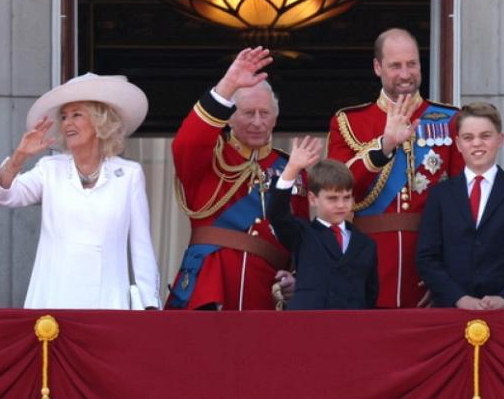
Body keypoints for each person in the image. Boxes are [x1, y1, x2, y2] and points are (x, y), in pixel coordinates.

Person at [0, 73, 160, 310]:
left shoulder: (128, 174)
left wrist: (149, 304)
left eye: (77, 114)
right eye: (65, 117)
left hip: (107, 304)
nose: (68, 122)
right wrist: (19, 157)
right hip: (53, 301)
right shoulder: (49, 169)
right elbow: (2, 195)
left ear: (101, 122)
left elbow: (141, 246)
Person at [327, 28, 463, 308]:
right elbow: (336, 188)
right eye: (395, 65)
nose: (405, 74)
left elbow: (461, 200)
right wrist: (385, 145)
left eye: (412, 64)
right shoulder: (350, 122)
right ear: (378, 67)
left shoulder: (450, 119)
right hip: (369, 261)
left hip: (428, 260)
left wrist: (447, 271)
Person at [166, 47, 306, 310]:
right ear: (229, 117)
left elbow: (299, 237)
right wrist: (228, 86)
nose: (257, 122)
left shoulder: (293, 170)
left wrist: (295, 277)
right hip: (209, 289)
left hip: (265, 294)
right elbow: (186, 143)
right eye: (248, 113)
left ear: (275, 119)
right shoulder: (207, 158)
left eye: (264, 114)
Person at [415, 102, 504, 309]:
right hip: (451, 309)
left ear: (500, 139)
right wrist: (458, 298)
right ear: (458, 143)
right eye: (468, 137)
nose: (477, 143)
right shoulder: (440, 195)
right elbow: (427, 258)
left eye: (485, 136)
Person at [267, 137, 378, 310]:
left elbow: (370, 295)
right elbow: (277, 213)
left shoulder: (365, 244)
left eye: (346, 197)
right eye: (332, 198)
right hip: (307, 326)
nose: (341, 205)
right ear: (313, 199)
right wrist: (292, 169)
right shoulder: (302, 234)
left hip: (351, 329)